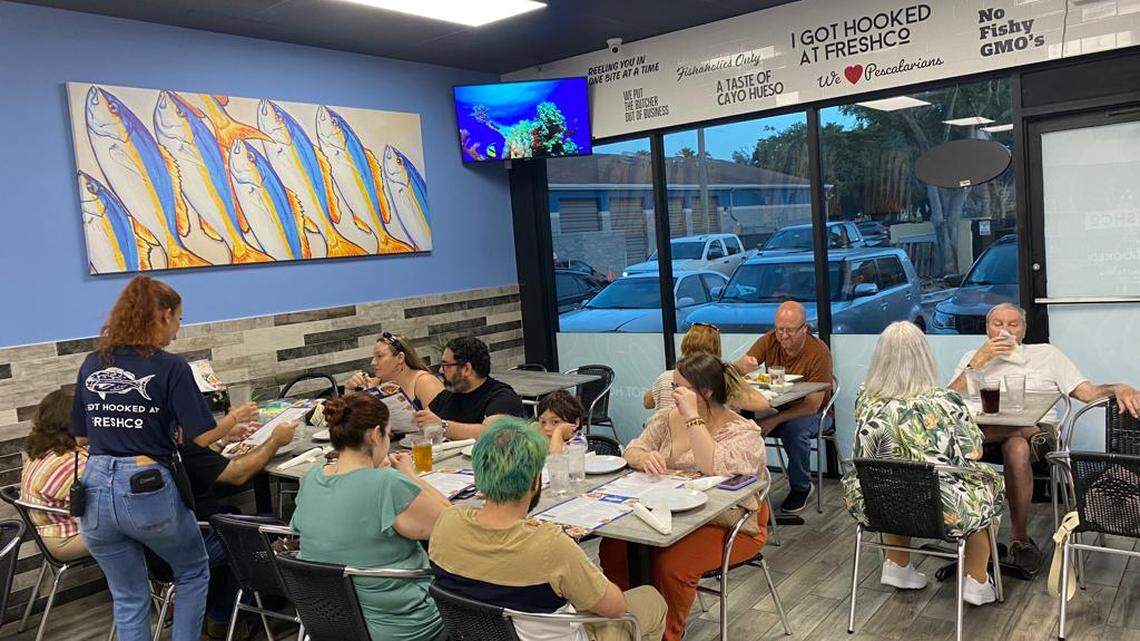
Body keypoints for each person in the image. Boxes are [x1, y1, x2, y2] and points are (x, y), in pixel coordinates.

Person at [71, 275, 258, 641]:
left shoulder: (93, 362)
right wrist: (234, 419)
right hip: (145, 488)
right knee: (192, 571)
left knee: (128, 596)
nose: (177, 331)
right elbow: (202, 436)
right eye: (179, 320)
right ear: (164, 314)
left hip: (93, 490)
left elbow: (81, 435)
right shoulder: (171, 366)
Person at [429, 417, 666, 641]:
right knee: (651, 600)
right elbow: (615, 608)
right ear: (535, 481)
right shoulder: (550, 545)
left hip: (472, 634)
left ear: (478, 475)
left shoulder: (446, 524)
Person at [947, 302, 1140, 573]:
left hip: (1039, 436)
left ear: (1024, 330)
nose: (1005, 330)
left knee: (1017, 447)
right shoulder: (973, 356)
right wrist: (978, 362)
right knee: (1009, 437)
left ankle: (1019, 537)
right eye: (997, 324)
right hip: (984, 433)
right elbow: (947, 400)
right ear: (987, 329)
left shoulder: (1046, 355)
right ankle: (972, 533)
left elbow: (1087, 393)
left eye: (1013, 324)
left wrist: (1118, 387)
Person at [601, 353, 768, 641]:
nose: (673, 392)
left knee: (672, 565)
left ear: (705, 391)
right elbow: (632, 449)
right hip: (668, 514)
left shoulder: (742, 432)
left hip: (729, 522)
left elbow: (711, 465)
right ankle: (633, 625)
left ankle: (667, 635)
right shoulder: (668, 417)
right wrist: (644, 458)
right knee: (614, 548)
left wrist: (692, 418)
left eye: (680, 386)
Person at [842, 321, 1004, 605]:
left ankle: (897, 565)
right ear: (925, 357)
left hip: (871, 502)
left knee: (894, 479)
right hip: (941, 510)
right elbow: (974, 451)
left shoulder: (865, 397)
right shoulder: (945, 402)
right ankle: (977, 581)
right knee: (985, 482)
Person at [291, 393, 450, 641]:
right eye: (389, 434)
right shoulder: (388, 484)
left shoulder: (311, 479)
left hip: (330, 624)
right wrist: (410, 476)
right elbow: (452, 524)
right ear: (375, 435)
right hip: (404, 628)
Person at [181, 416, 297, 639]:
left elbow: (197, 455)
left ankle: (224, 606)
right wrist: (274, 440)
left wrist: (223, 439)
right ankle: (224, 616)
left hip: (165, 543)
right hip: (199, 537)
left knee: (235, 515)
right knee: (252, 533)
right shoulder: (180, 443)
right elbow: (237, 474)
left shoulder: (152, 440)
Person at [733, 300, 832, 513]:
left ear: (804, 328)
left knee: (794, 430)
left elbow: (812, 406)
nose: (783, 336)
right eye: (779, 330)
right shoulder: (770, 340)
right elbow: (737, 371)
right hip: (777, 405)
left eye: (789, 331)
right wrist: (740, 367)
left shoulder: (819, 352)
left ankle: (801, 487)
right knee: (741, 422)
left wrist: (773, 420)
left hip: (813, 413)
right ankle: (746, 485)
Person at [20, 389, 89, 561]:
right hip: (66, 540)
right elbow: (99, 511)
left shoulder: (43, 452)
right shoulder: (69, 465)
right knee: (139, 527)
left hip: (49, 533)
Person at [413, 336, 525, 440]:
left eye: (446, 365)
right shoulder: (448, 394)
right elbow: (424, 420)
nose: (440, 371)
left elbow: (490, 433)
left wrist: (442, 426)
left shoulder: (503, 397)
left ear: (466, 368)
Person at [345, 331, 444, 410]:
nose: (373, 362)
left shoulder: (425, 383)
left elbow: (441, 425)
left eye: (379, 356)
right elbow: (353, 424)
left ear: (400, 357)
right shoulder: (373, 384)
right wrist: (349, 390)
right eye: (374, 357)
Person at [644, 322, 723, 411]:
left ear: (684, 344)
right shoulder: (720, 381)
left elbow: (647, 403)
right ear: (716, 349)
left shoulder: (665, 378)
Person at [535, 390, 584, 454]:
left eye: (555, 422)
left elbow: (555, 459)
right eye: (543, 422)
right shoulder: (544, 438)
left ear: (575, 423)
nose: (546, 428)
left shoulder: (578, 441)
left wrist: (559, 432)